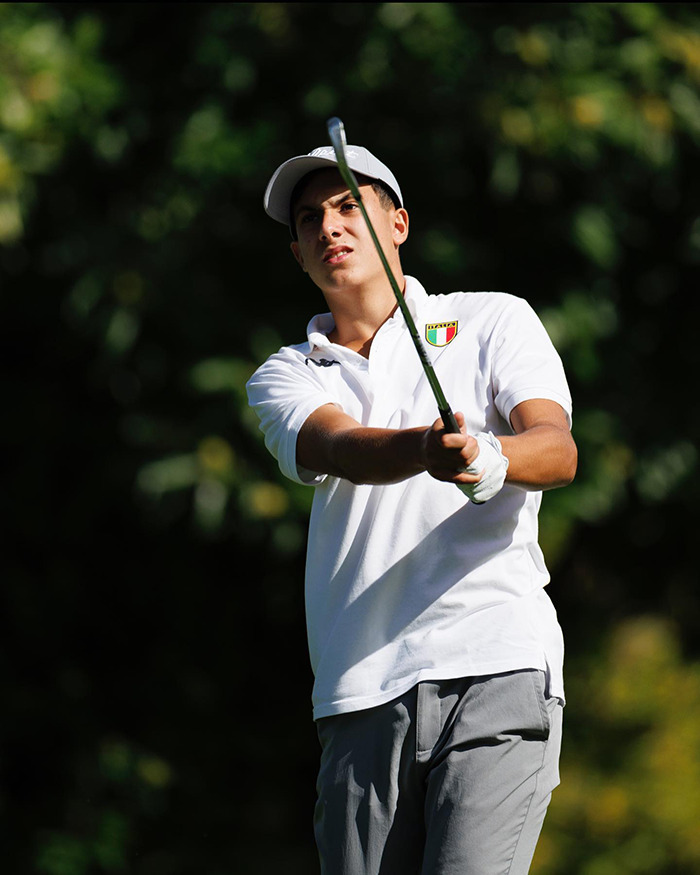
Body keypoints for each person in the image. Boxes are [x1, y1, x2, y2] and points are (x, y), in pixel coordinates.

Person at [246, 140, 577, 875]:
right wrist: (426, 450)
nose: (329, 227)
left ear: (397, 223)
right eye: (309, 220)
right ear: (298, 253)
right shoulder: (285, 374)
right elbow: (342, 448)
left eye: (348, 206)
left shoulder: (493, 319)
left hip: (497, 664)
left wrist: (490, 457)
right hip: (361, 688)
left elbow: (555, 448)